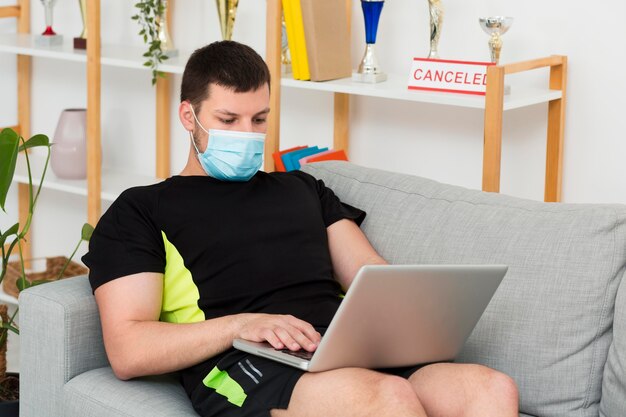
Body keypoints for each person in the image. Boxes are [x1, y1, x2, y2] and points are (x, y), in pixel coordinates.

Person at [82, 40, 519, 417]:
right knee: (386, 398)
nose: (247, 134)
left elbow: (372, 275)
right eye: (229, 120)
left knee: (491, 389)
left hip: (341, 349)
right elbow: (128, 349)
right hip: (243, 361)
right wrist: (240, 325)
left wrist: (422, 312)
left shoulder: (303, 187)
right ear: (188, 116)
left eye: (259, 120)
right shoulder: (141, 209)